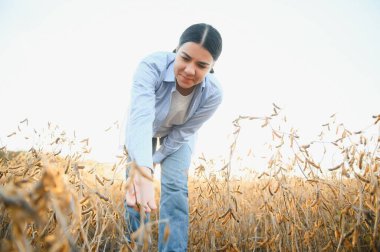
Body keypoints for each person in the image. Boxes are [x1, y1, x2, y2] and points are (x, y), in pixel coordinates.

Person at [124, 23, 223, 251]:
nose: (190, 70)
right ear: (176, 50)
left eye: (201, 65)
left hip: (179, 134)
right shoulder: (151, 65)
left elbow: (183, 133)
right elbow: (141, 118)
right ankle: (135, 247)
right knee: (137, 188)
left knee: (176, 188)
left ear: (212, 67)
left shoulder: (214, 93)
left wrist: (157, 159)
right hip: (143, 128)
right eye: (185, 58)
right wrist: (144, 171)